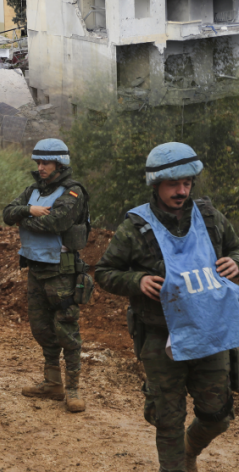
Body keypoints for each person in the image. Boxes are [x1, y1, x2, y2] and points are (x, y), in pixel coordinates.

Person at [95, 142, 239, 472]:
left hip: (210, 334)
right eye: (174, 184)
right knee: (167, 420)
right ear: (156, 184)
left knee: (218, 417)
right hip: (162, 339)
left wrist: (235, 262)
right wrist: (137, 282)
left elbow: (235, 248)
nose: (181, 190)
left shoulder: (210, 218)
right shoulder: (135, 227)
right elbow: (104, 272)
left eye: (187, 183)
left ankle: (192, 448)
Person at [2, 138, 91, 413]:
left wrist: (24, 220)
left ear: (60, 164)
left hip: (61, 271)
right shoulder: (32, 191)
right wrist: (29, 210)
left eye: (45, 163)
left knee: (66, 328)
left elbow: (56, 222)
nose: (40, 167)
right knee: (41, 328)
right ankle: (52, 384)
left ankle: (73, 389)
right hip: (36, 268)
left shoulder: (73, 192)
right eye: (38, 163)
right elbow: (7, 213)